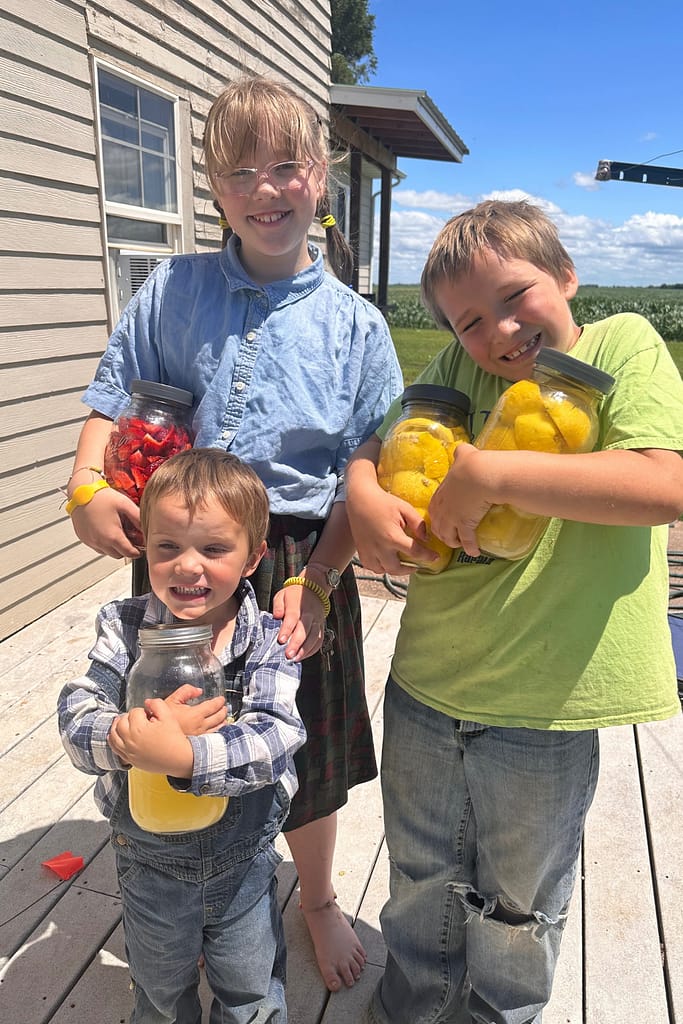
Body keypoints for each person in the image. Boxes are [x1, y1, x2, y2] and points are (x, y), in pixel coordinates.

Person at [63, 74, 403, 992]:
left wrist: (324, 581)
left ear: (319, 181)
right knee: (169, 704)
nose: (266, 189)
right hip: (176, 547)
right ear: (213, 188)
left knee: (308, 741)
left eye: (287, 166)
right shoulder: (171, 290)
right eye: (241, 171)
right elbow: (112, 392)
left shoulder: (359, 329)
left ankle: (318, 897)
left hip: (297, 555)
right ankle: (183, 874)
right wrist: (85, 483)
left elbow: (359, 473)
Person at [344, 199, 683, 1024]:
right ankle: (413, 1006)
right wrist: (362, 500)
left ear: (566, 275)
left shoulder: (620, 344)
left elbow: (663, 482)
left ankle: (498, 1015)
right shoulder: (463, 380)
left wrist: (490, 477)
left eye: (514, 295)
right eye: (468, 322)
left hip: (545, 701)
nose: (498, 332)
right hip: (428, 680)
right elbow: (375, 443)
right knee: (418, 876)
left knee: (519, 905)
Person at [58, 447, 306, 1022]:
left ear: (253, 557)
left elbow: (276, 737)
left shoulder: (267, 639)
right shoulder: (124, 628)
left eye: (214, 548)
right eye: (168, 546)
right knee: (161, 994)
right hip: (150, 866)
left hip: (242, 863)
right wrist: (122, 739)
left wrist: (186, 756)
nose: (187, 566)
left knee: (250, 993)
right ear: (146, 545)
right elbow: (76, 712)